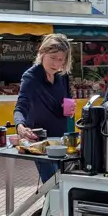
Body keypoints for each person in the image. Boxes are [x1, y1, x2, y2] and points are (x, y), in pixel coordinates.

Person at [14, 34, 74, 182]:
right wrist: (20, 126)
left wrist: (70, 109)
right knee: (53, 184)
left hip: (61, 140)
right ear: (42, 53)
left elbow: (66, 102)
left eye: (61, 60)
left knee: (64, 185)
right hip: (40, 142)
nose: (56, 64)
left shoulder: (63, 77)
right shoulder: (31, 77)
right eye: (53, 58)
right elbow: (21, 106)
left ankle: (52, 206)